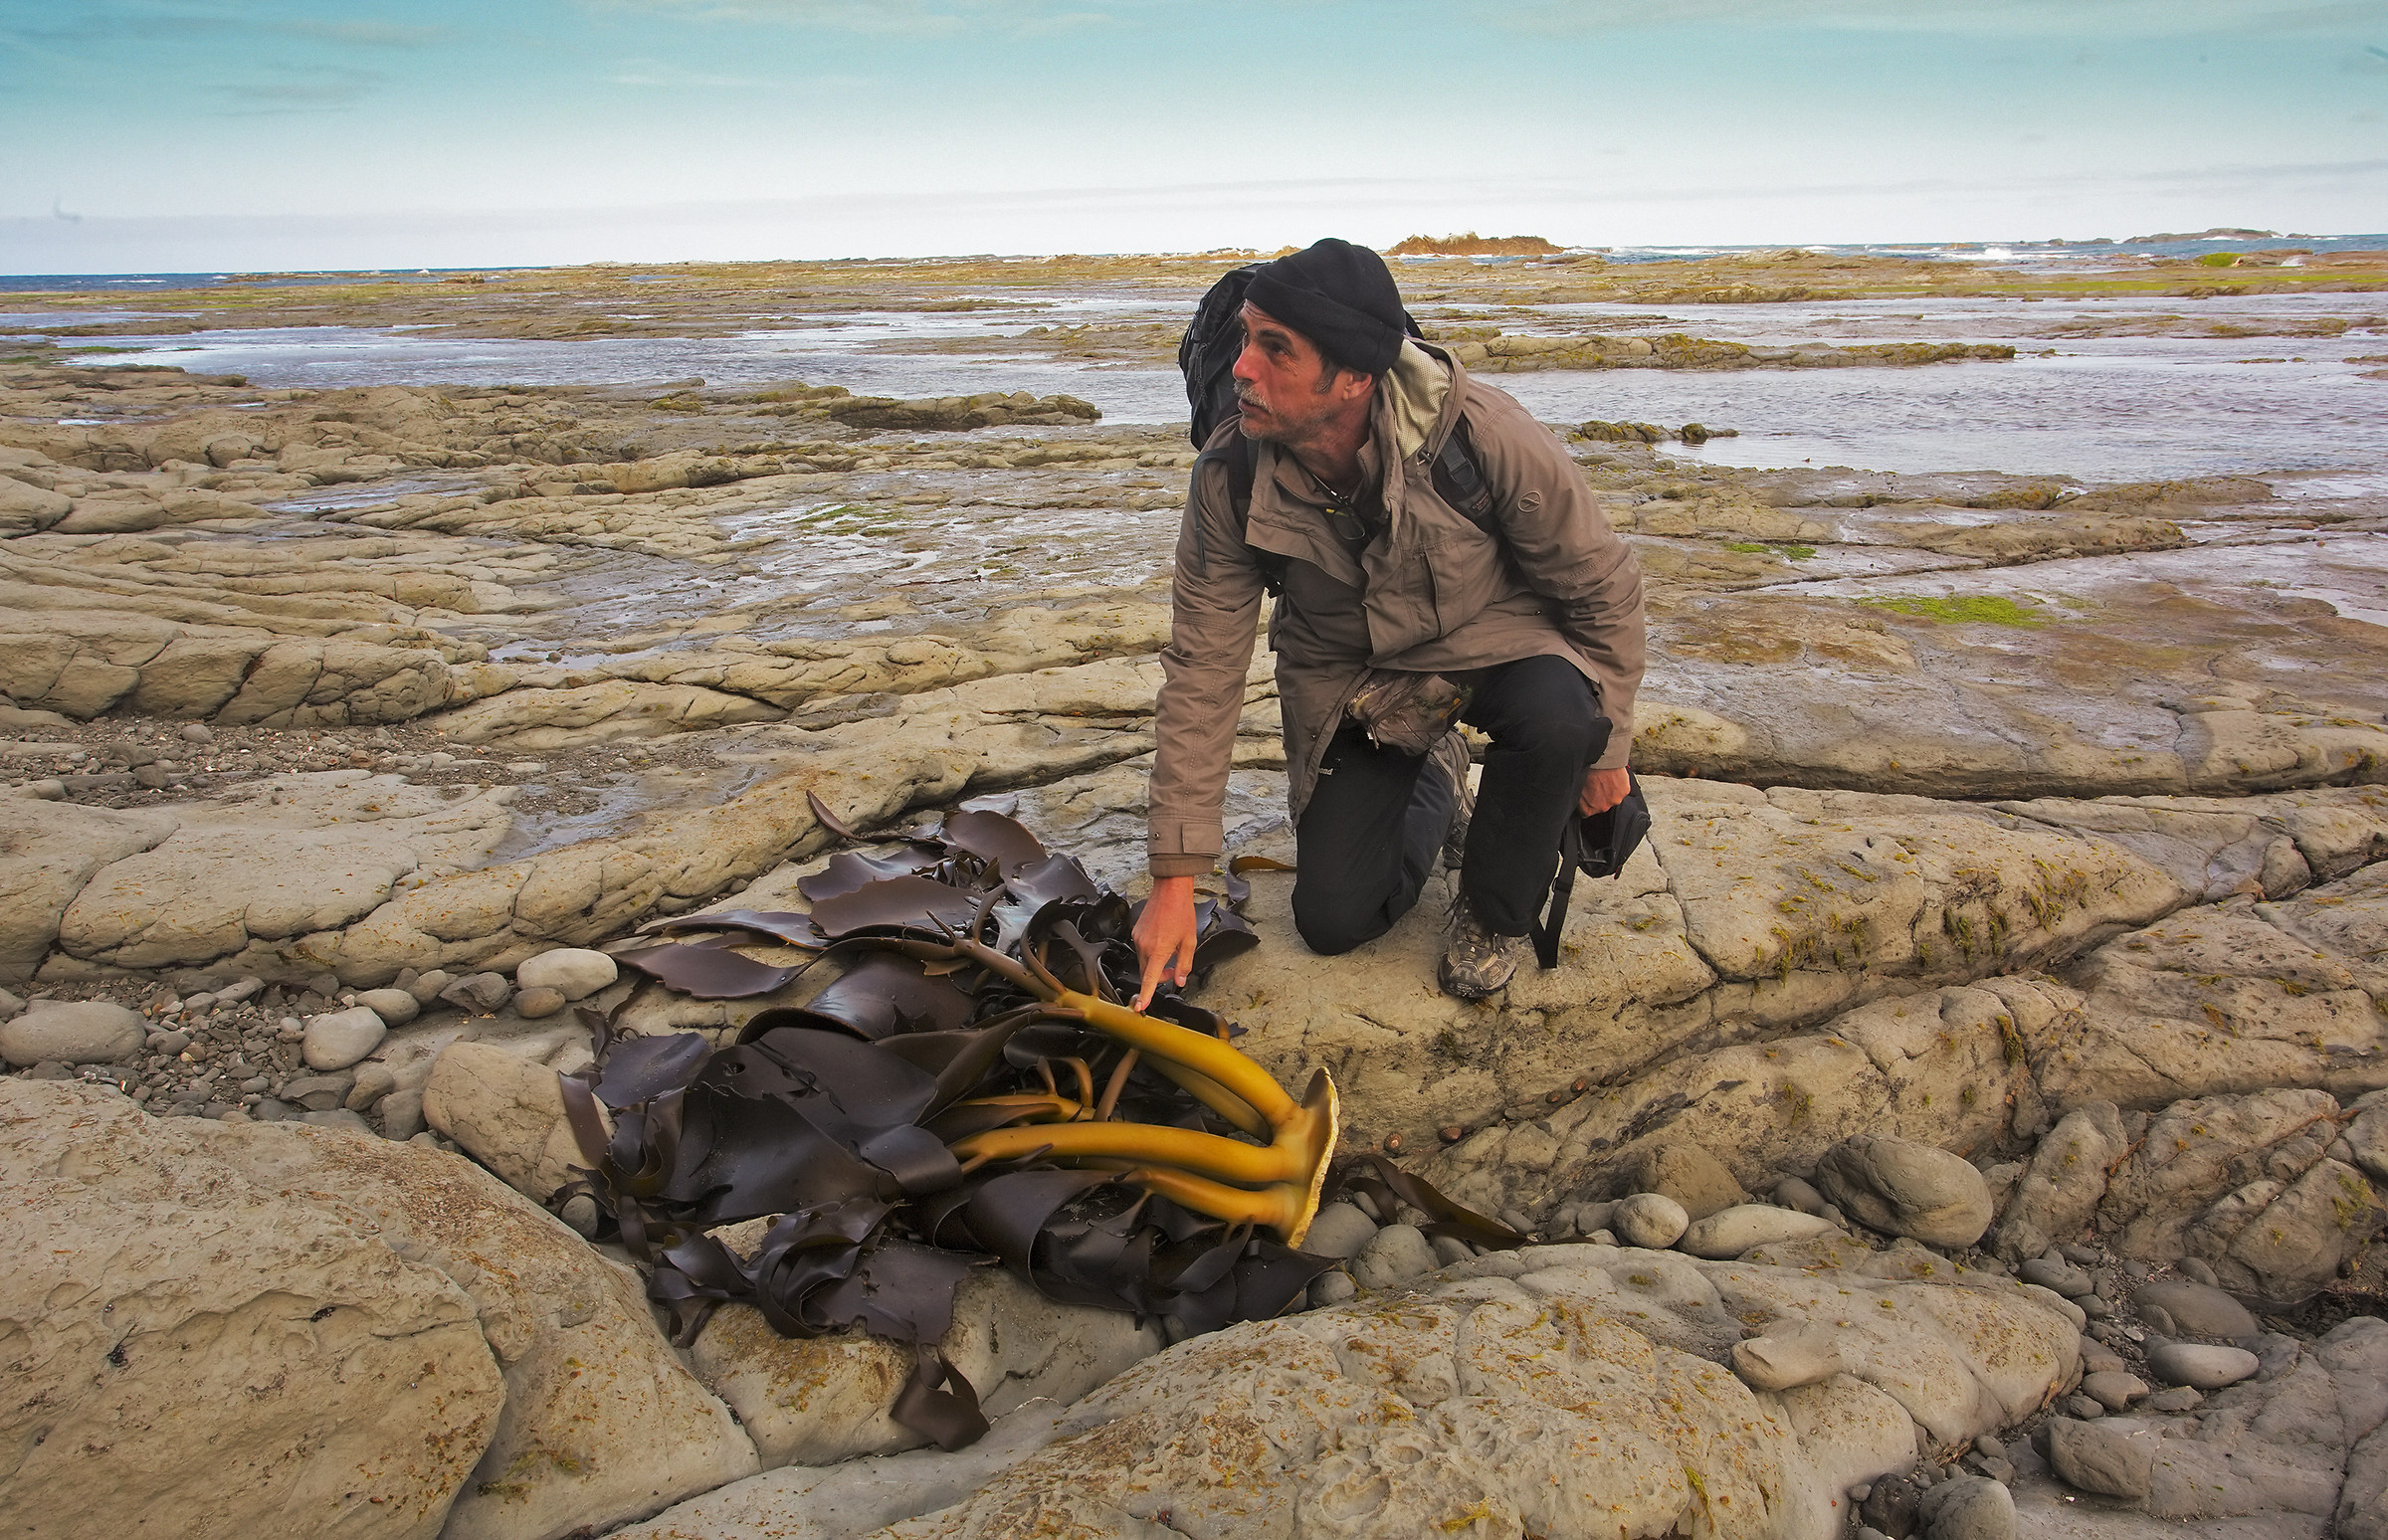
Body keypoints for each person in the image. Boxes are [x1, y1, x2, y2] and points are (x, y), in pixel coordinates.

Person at [1132, 238, 1646, 1007]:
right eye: (1245, 338)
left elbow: (1601, 585)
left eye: (1276, 349)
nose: (1241, 367)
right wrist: (1175, 878)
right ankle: (1438, 777)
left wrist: (1611, 752)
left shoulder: (1482, 432)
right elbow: (1204, 667)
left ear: (1355, 377)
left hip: (1495, 641)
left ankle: (1494, 910)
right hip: (1354, 678)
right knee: (1335, 919)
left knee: (1563, 719)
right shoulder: (1229, 475)